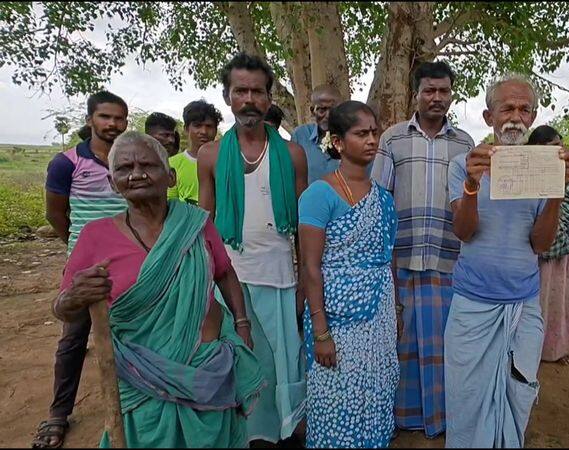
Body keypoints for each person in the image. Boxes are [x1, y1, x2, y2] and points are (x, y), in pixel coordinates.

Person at [50, 131, 264, 448]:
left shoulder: (196, 223)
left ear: (171, 177)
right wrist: (73, 297)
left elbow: (224, 272)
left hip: (206, 369)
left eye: (147, 164)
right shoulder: (96, 237)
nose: (136, 174)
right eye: (124, 169)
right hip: (140, 378)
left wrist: (242, 323)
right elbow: (61, 307)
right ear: (112, 182)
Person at [445, 73, 569, 448]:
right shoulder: (464, 164)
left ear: (533, 117)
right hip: (472, 303)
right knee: (466, 396)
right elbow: (464, 232)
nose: (515, 117)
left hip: (522, 305)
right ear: (489, 117)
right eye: (507, 108)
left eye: (524, 109)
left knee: (518, 394)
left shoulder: (541, 167)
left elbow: (540, 244)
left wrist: (557, 191)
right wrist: (472, 186)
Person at [197, 52, 308, 446]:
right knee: (237, 365)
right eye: (240, 91)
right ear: (228, 97)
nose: (249, 99)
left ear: (268, 98)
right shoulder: (210, 156)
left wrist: (303, 286)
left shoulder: (292, 155)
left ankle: (281, 433)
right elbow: (204, 224)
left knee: (280, 365)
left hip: (280, 280)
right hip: (230, 283)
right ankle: (243, 435)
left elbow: (304, 228)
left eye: (257, 92)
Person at [371, 60, 474, 438]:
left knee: (442, 346)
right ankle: (403, 417)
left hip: (448, 258)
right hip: (401, 256)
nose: (436, 98)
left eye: (443, 91)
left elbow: (471, 199)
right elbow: (379, 199)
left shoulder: (464, 143)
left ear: (451, 95)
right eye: (429, 90)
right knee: (403, 341)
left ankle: (440, 418)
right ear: (415, 93)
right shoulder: (393, 138)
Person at [298, 101, 400, 448]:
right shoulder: (318, 194)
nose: (372, 140)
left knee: (376, 390)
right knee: (335, 397)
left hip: (379, 314)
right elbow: (310, 267)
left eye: (374, 132)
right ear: (338, 142)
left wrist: (394, 312)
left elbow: (388, 259)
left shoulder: (383, 199)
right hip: (336, 321)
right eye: (361, 134)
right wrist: (321, 332)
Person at [34, 91, 130, 449]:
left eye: (120, 119)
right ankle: (58, 414)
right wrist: (79, 248)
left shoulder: (127, 160)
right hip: (85, 267)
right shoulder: (67, 163)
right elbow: (55, 214)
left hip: (127, 265)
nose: (113, 124)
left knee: (128, 335)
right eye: (106, 117)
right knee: (73, 338)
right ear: (91, 119)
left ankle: (131, 406)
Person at [528, 125, 569, 366]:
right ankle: (534, 349)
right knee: (539, 302)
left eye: (559, 145)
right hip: (540, 253)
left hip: (562, 249)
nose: (558, 150)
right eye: (551, 146)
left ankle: (556, 348)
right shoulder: (528, 174)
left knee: (559, 301)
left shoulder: (567, 175)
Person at [168, 100, 222, 205]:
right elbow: (171, 205)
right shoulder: (172, 164)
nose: (204, 132)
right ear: (186, 129)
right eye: (198, 126)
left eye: (209, 126)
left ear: (215, 130)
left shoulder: (226, 161)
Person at [291, 85, 342, 184]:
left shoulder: (352, 138)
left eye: (333, 110)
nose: (328, 116)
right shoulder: (300, 136)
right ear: (312, 111)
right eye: (322, 110)